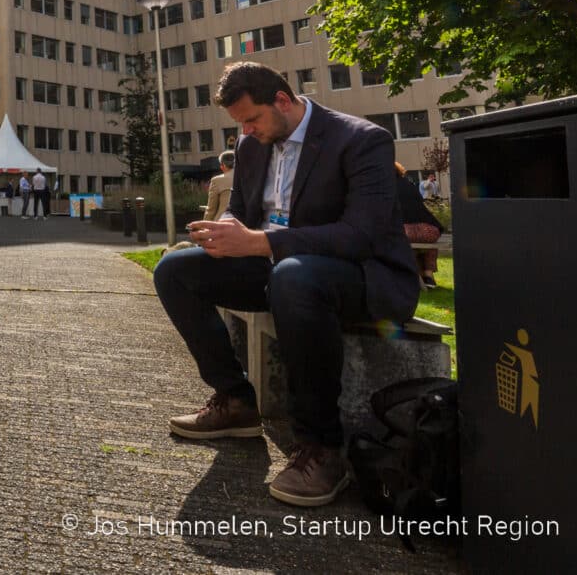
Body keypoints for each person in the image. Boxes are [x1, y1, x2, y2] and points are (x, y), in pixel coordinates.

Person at [153, 62, 419, 507]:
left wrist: (261, 242)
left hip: (358, 275)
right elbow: (240, 209)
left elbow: (360, 236)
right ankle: (236, 401)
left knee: (293, 275)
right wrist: (222, 233)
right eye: (239, 124)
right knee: (175, 269)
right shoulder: (253, 146)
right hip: (278, 266)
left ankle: (321, 446)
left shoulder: (360, 140)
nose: (247, 131)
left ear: (282, 100)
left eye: (251, 119)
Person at [396, 162, 443, 289]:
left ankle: (416, 276)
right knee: (425, 245)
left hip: (407, 230)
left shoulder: (386, 187)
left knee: (403, 241)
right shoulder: (409, 184)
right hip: (430, 229)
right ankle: (428, 275)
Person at [204, 150, 236, 222]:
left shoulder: (217, 180)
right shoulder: (248, 177)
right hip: (244, 225)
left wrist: (204, 226)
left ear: (223, 165)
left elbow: (211, 209)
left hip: (223, 223)